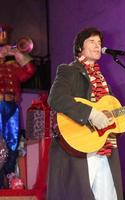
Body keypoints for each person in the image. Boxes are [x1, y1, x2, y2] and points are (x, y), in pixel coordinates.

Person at [47, 27, 125, 200]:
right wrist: (91, 113)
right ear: (79, 48)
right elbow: (56, 99)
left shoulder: (102, 79)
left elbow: (118, 114)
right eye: (91, 41)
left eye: (99, 42)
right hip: (79, 147)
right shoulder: (68, 70)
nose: (97, 45)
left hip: (103, 148)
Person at [0, 24, 36, 188]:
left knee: (12, 141)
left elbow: (29, 71)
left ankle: (10, 174)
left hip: (12, 105)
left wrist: (18, 54)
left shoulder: (12, 66)